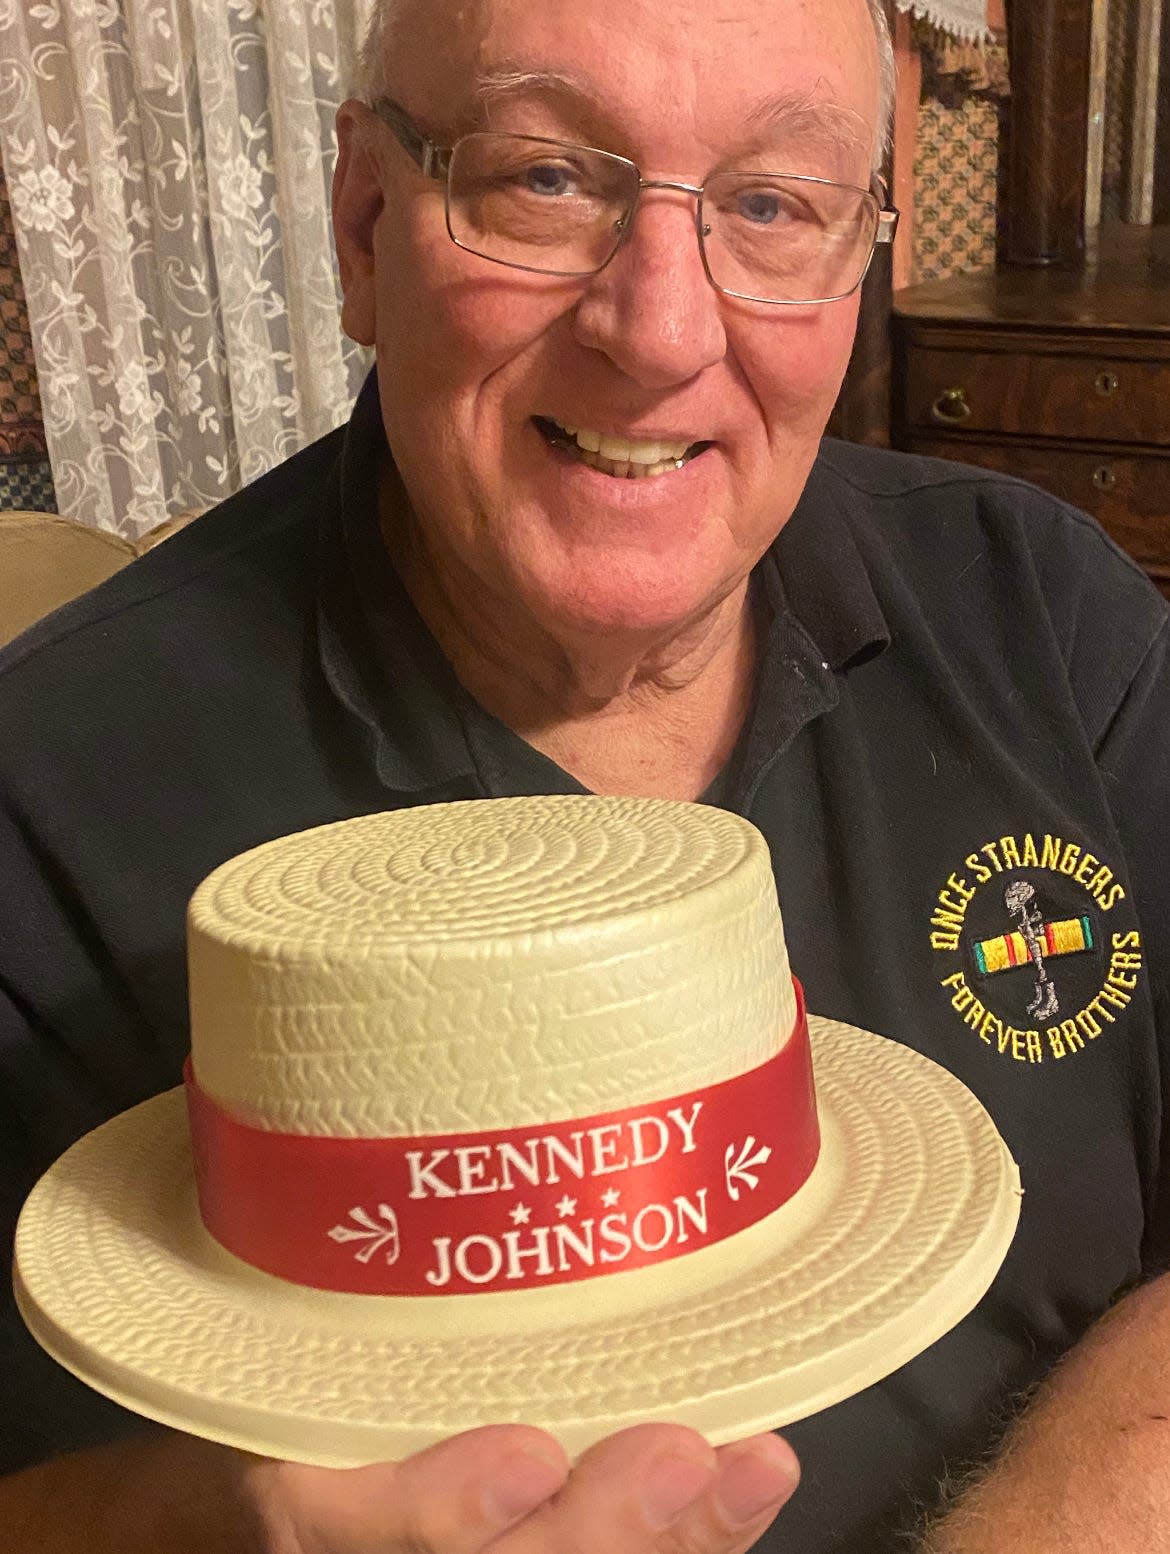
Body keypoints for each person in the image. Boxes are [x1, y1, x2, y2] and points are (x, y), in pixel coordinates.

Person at [1, 0, 1168, 1548]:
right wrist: (214, 1522)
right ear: (365, 226)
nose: (662, 332)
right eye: (545, 179)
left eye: (771, 205)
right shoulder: (52, 786)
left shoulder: (1045, 611)